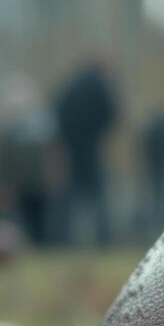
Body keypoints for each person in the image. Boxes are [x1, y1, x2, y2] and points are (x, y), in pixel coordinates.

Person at [0, 76, 61, 246]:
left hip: (37, 184)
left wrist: (53, 174)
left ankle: (40, 248)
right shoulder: (5, 126)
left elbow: (51, 151)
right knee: (9, 224)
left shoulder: (43, 123)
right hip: (13, 183)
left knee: (40, 222)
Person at [54, 60, 119, 245]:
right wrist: (98, 134)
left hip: (70, 147)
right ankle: (104, 238)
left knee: (68, 195)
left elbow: (58, 111)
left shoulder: (70, 85)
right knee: (97, 195)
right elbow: (112, 113)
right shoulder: (99, 85)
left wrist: (64, 139)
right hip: (91, 147)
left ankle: (62, 239)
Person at [136, 109, 164, 229]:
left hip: (153, 167)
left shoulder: (151, 131)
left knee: (153, 194)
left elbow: (143, 147)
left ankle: (154, 221)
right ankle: (160, 220)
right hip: (161, 167)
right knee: (161, 194)